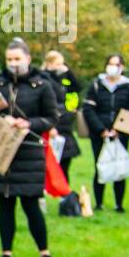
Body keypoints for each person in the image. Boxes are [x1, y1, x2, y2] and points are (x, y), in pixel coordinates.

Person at [0, 38, 59, 257]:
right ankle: (6, 253)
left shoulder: (42, 85)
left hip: (28, 152)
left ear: (28, 59)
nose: (13, 64)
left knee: (31, 204)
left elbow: (51, 117)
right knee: (5, 203)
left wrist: (28, 123)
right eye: (9, 59)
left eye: (17, 59)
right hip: (2, 148)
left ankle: (45, 254)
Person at [82, 53, 129, 212]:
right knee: (100, 166)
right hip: (100, 133)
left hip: (120, 134)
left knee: (119, 167)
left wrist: (119, 129)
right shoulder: (97, 85)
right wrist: (101, 129)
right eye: (110, 64)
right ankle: (99, 203)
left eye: (116, 64)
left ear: (122, 67)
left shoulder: (128, 87)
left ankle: (119, 204)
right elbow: (89, 109)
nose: (112, 67)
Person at [41, 49, 82, 184]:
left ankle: (64, 194)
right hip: (52, 125)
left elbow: (77, 87)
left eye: (62, 64)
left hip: (65, 125)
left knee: (65, 162)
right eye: (58, 64)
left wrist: (68, 73)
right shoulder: (44, 79)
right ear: (49, 64)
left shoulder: (64, 79)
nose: (61, 67)